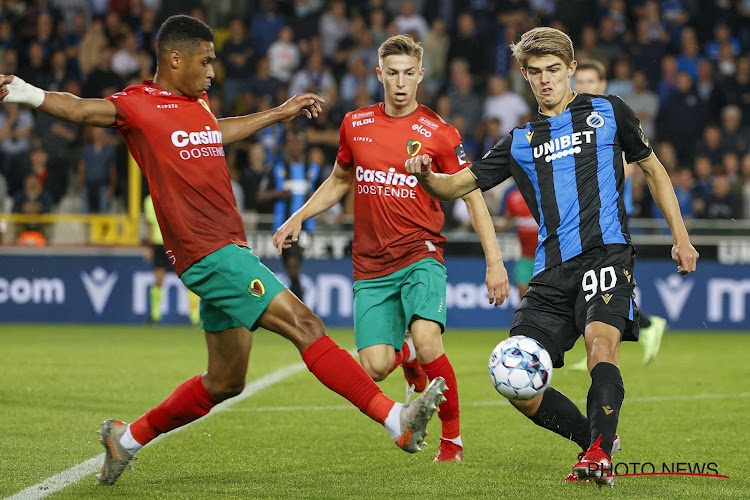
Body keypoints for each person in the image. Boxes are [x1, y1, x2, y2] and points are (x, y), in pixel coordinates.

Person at [0, 15, 447, 486]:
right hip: (207, 252)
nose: (214, 70)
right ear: (175, 59)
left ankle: (124, 439)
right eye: (206, 60)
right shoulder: (137, 105)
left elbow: (217, 130)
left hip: (223, 248)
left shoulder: (198, 106)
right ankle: (394, 419)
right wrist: (23, 92)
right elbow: (78, 108)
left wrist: (278, 112)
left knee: (225, 381)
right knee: (306, 324)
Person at [404, 27, 698, 486]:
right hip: (551, 270)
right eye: (536, 72)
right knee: (511, 373)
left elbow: (654, 171)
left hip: (606, 255)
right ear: (524, 74)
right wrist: (426, 176)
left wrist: (680, 237)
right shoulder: (520, 140)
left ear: (572, 70)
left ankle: (598, 453)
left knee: (602, 344)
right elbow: (457, 186)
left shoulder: (608, 111)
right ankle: (595, 441)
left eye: (554, 71)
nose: (545, 80)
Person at [273, 34, 510, 463]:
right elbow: (340, 180)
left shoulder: (439, 133)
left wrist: (494, 261)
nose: (400, 83)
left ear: (421, 75)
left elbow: (472, 196)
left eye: (408, 74)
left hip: (421, 252)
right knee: (376, 366)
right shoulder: (354, 124)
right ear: (379, 74)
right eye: (392, 73)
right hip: (370, 262)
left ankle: (451, 440)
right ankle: (409, 363)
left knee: (427, 338)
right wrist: (298, 216)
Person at [570, 59, 667, 368]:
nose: (584, 87)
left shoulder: (612, 120)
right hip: (580, 223)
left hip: (609, 222)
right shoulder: (570, 122)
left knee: (606, 291)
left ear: (603, 85)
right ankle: (602, 349)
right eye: (579, 81)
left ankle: (646, 326)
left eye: (590, 82)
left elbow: (630, 165)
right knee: (592, 291)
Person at [143, 193, 200, 325]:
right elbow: (150, 225)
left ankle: (195, 316)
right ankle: (155, 315)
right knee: (158, 280)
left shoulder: (178, 196)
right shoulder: (149, 200)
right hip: (159, 243)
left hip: (177, 243)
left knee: (188, 279)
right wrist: (149, 248)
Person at [494, 185, 538, 300]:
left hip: (545, 259)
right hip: (525, 258)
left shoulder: (545, 195)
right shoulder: (513, 197)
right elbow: (506, 222)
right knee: (524, 298)